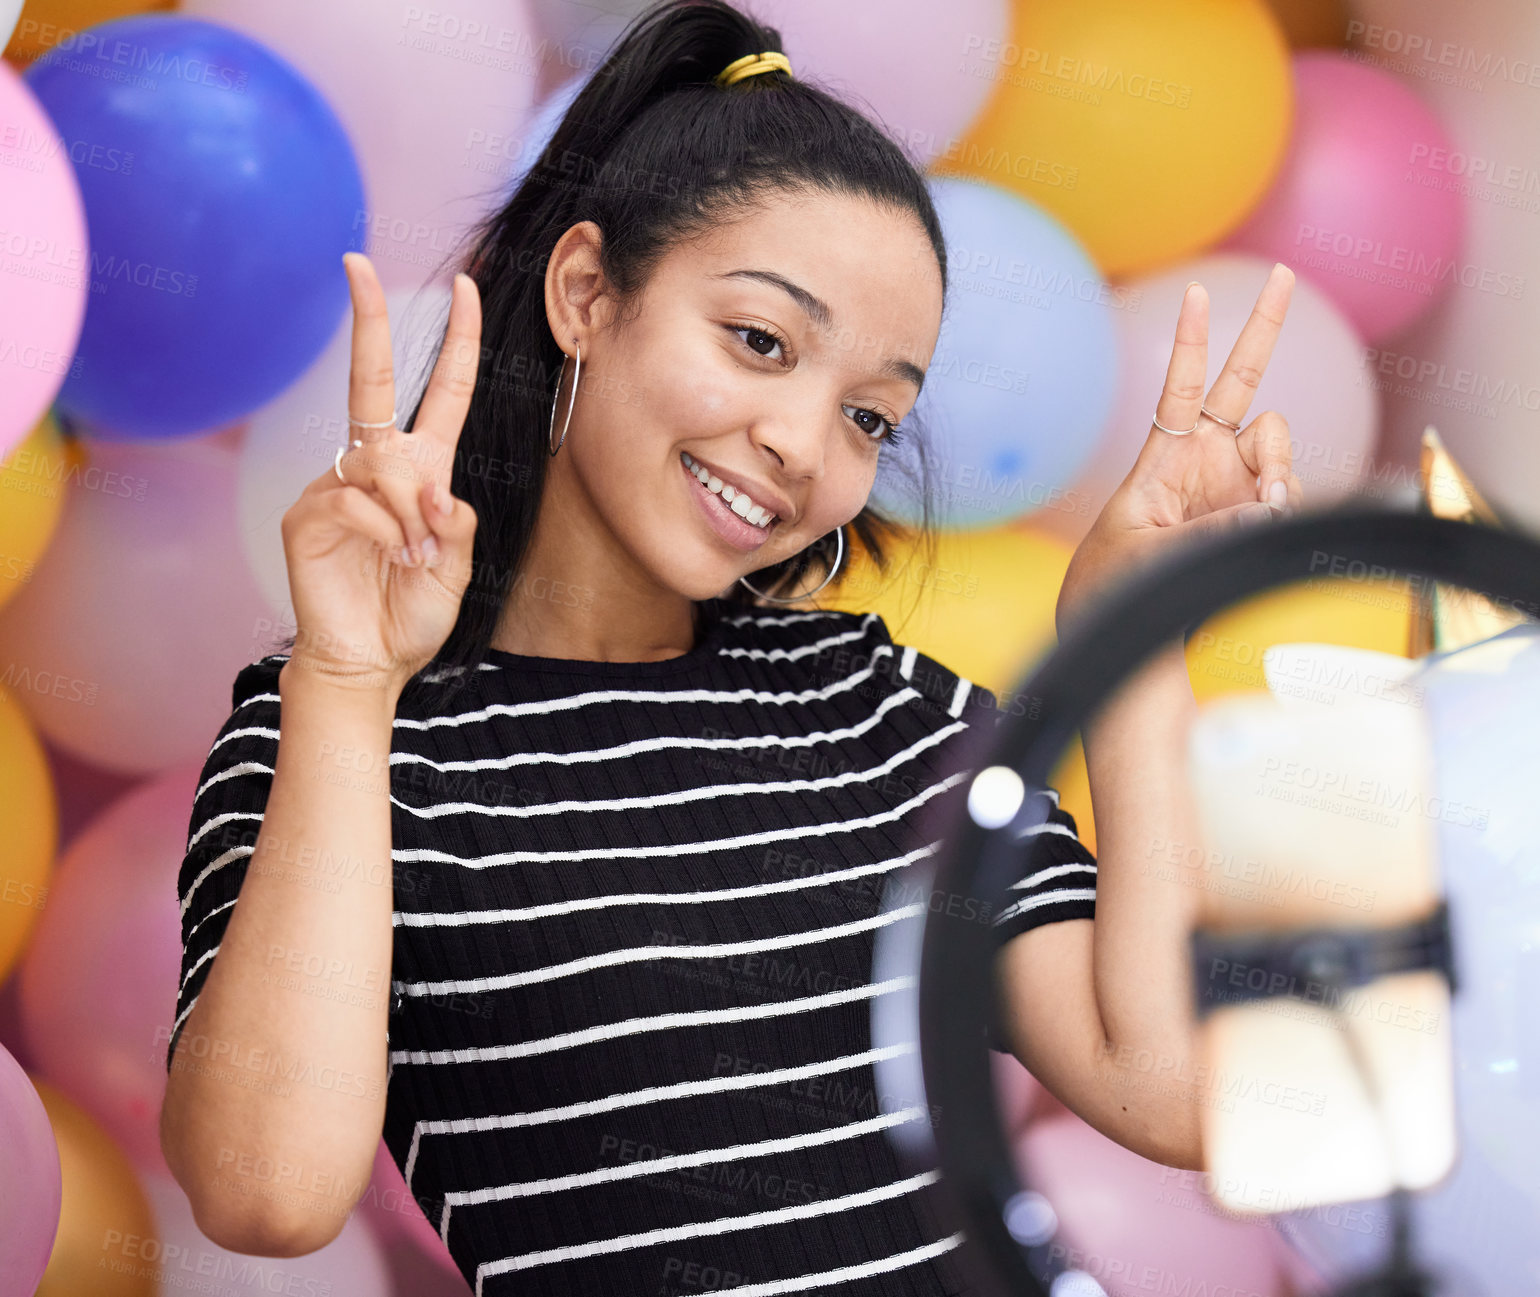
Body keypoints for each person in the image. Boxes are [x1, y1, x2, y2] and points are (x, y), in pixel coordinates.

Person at [159, 2, 1303, 1293]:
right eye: (761, 341)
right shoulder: (331, 726)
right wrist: (352, 685)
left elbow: (1179, 1092)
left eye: (870, 414)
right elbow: (266, 1193)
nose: (806, 447)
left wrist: (1131, 643)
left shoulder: (878, 710)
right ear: (587, 293)